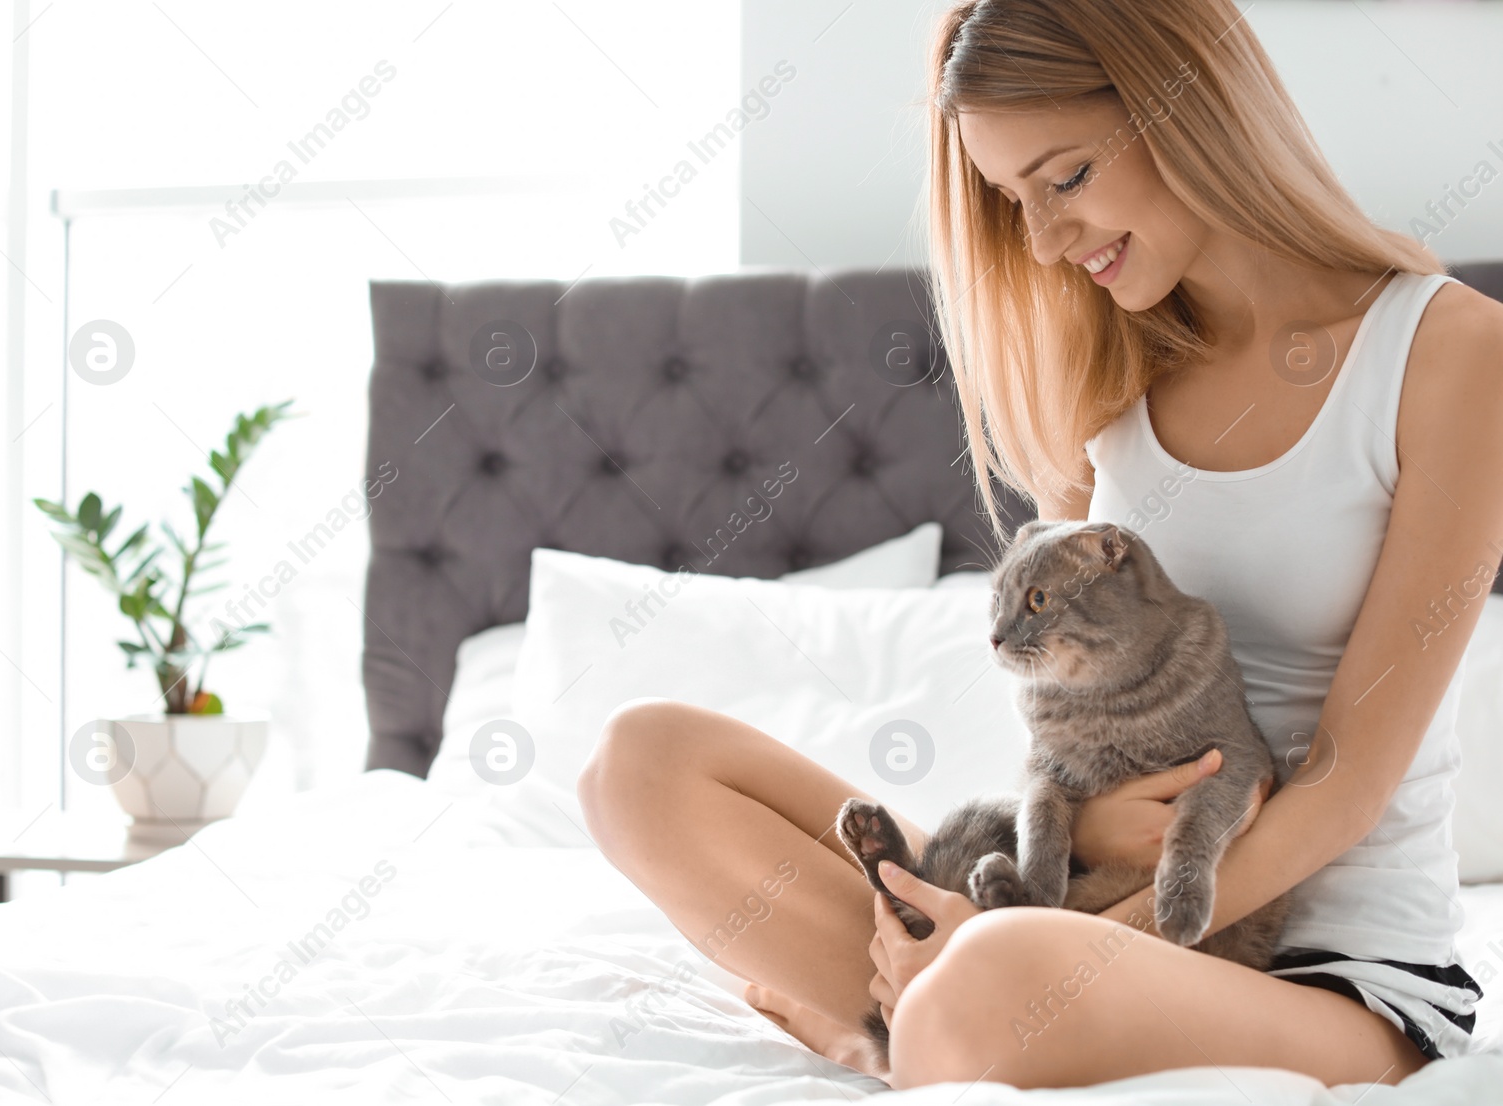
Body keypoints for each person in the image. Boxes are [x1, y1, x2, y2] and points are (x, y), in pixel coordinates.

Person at [577, 0, 1503, 1090]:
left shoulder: (1450, 354)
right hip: (1065, 915)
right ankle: (926, 1012)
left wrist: (1048, 939)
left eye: (1065, 178)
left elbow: (1345, 783)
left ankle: (885, 1025)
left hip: (1326, 976)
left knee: (990, 980)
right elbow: (1062, 724)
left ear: (1194, 107)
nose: (1047, 242)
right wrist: (1065, 850)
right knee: (639, 762)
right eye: (1013, 200)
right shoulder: (1110, 372)